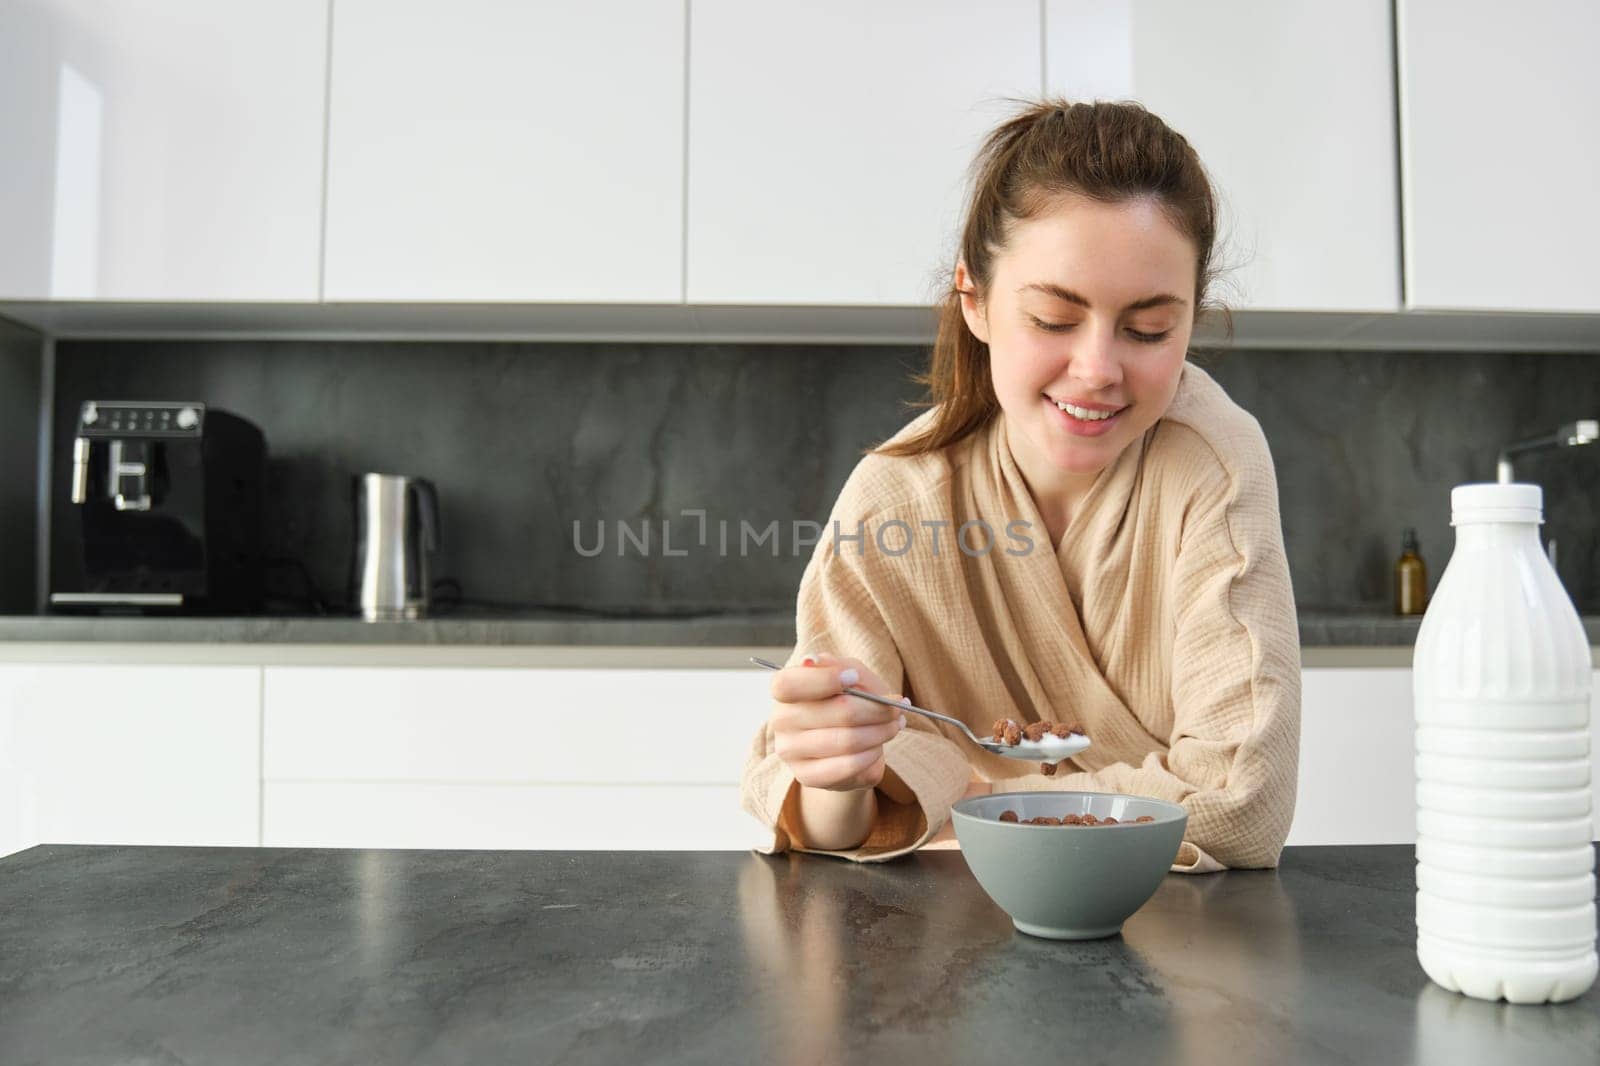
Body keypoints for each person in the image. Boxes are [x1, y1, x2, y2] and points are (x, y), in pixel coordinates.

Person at [739, 99, 1301, 873]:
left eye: (1148, 330)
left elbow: (1243, 803)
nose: (1099, 369)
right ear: (974, 299)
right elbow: (832, 821)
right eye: (1052, 318)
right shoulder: (896, 501)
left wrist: (968, 797)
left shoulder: (1211, 461)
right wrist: (841, 774)